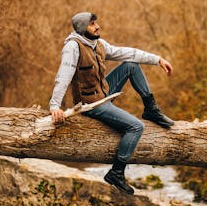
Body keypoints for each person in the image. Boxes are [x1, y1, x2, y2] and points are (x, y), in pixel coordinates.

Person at [49, 11, 175, 195]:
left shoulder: (98, 44)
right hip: (90, 104)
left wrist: (158, 59)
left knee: (131, 64)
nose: (97, 26)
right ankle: (116, 172)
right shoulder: (73, 47)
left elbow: (128, 52)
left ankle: (151, 109)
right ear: (84, 28)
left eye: (96, 22)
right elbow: (63, 76)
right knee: (136, 127)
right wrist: (54, 106)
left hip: (103, 93)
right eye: (92, 24)